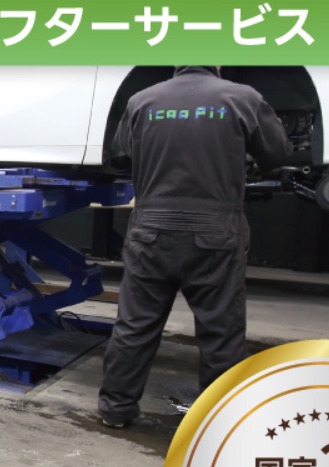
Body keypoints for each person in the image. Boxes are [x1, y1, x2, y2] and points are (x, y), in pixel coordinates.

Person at [97, 66, 290, 427]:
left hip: (151, 231)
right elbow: (276, 154)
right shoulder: (242, 98)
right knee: (221, 333)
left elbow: (121, 155)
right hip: (215, 232)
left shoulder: (142, 101)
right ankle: (220, 421)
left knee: (135, 326)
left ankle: (115, 409)